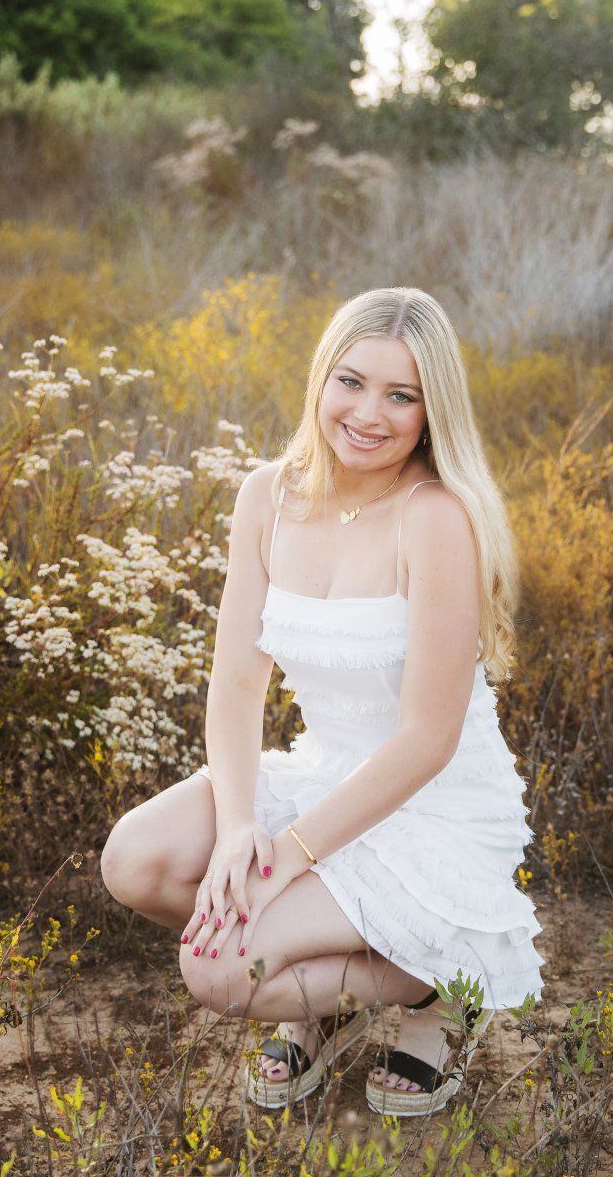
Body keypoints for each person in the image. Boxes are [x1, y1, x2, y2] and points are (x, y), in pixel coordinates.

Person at [99, 286, 544, 1118]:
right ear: (320, 381)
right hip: (322, 772)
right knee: (136, 861)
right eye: (352, 382)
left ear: (430, 409)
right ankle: (322, 995)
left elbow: (426, 741)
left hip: (426, 805)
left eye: (401, 395)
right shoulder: (268, 495)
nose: (369, 414)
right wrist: (240, 830)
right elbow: (237, 681)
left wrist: (287, 860)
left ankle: (441, 988)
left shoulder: (437, 519)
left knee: (220, 973)